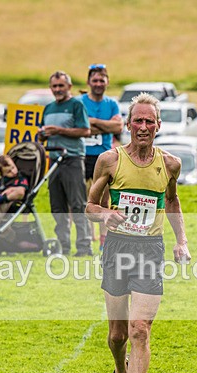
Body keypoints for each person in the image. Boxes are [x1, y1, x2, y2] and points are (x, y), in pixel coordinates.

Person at [85, 93, 191, 373]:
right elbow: (89, 206)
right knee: (117, 336)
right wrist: (107, 214)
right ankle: (119, 371)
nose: (143, 127)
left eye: (150, 121)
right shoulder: (110, 161)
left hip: (149, 250)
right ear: (129, 124)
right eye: (138, 121)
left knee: (140, 328)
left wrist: (182, 241)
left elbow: (172, 201)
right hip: (116, 248)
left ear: (158, 126)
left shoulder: (170, 164)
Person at [38, 71, 92, 256]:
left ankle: (84, 247)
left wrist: (59, 130)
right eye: (54, 86)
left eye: (61, 86)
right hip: (53, 161)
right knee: (57, 206)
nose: (57, 89)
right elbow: (44, 132)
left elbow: (85, 130)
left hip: (73, 159)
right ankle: (63, 246)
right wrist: (43, 135)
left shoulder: (76, 104)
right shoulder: (48, 108)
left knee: (77, 204)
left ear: (68, 87)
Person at [80, 64, 123, 252]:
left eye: (101, 80)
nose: (98, 83)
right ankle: (87, 238)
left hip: (104, 157)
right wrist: (106, 125)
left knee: (103, 201)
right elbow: (80, 126)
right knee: (84, 201)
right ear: (89, 82)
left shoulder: (112, 104)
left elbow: (118, 128)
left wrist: (93, 122)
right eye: (95, 80)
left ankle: (104, 240)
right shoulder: (79, 102)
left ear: (107, 82)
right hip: (82, 156)